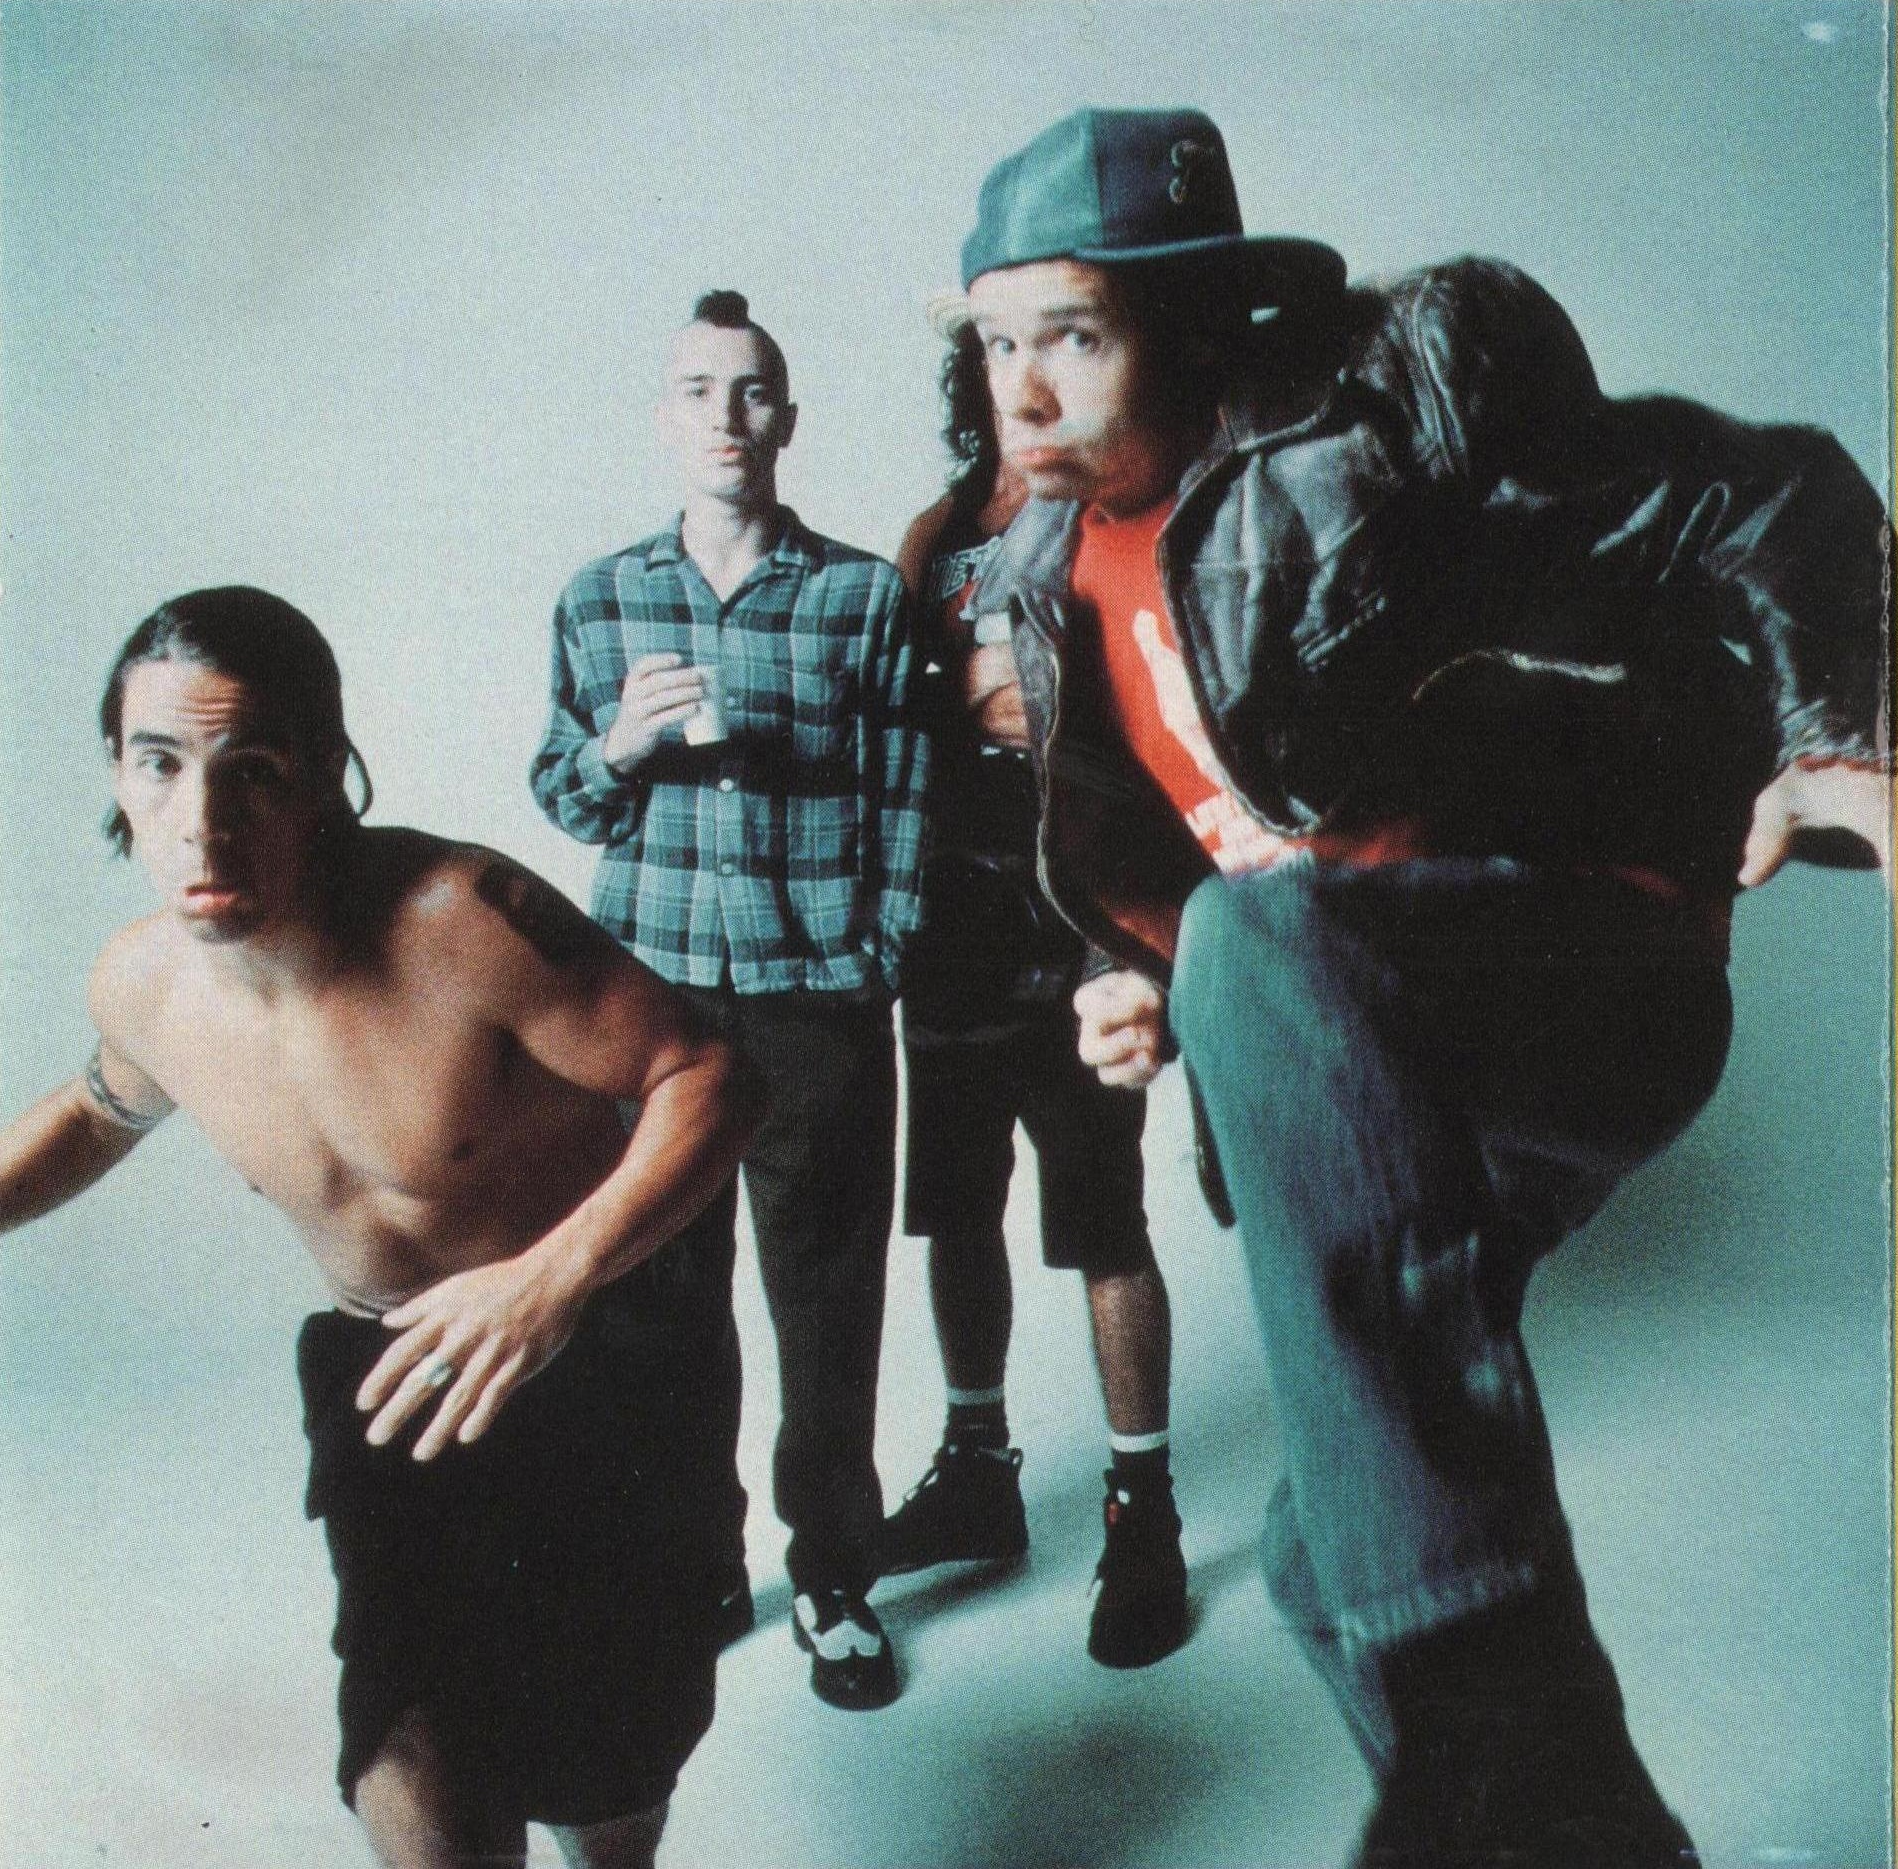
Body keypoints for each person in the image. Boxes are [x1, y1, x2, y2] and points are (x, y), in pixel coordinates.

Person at [954, 107, 1890, 1865]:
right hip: (1385, 1074)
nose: (1023, 390)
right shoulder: (1035, 590)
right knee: (1324, 1557)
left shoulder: (1371, 428)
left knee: (1265, 942)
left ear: (1192, 324)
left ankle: (1499, 1725)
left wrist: (1835, 737)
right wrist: (1152, 981)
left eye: (1070, 334)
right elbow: (1202, 850)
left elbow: (1760, 491)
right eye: (996, 343)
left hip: (1582, 963)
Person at [0, 587, 764, 1869]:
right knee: (409, 1756)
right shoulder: (142, 985)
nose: (203, 820)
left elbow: (714, 1076)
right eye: (161, 764)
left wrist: (550, 1282)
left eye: (252, 770)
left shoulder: (460, 918)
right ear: (118, 776)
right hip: (395, 1376)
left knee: (608, 1773)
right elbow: (96, 1110)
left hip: (606, 1346)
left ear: (322, 778)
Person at [531, 290, 928, 1711]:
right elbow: (563, 792)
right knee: (659, 1306)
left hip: (814, 999)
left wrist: (877, 952)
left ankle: (834, 1576)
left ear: (788, 419)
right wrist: (621, 745)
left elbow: (909, 797)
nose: (726, 416)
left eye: (752, 390)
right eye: (698, 390)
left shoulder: (860, 596)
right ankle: (696, 1563)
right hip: (649, 1007)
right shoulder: (600, 597)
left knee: (826, 1305)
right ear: (665, 418)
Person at [883, 313, 1187, 1669]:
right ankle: (976, 1467)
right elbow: (899, 702)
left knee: (1103, 1215)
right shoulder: (939, 529)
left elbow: (1146, 706)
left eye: (1048, 365)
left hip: (1080, 903)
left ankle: (1142, 1505)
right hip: (953, 907)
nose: (1026, 389)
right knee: (957, 1205)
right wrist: (967, 683)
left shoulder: (1120, 517)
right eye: (1000, 366)